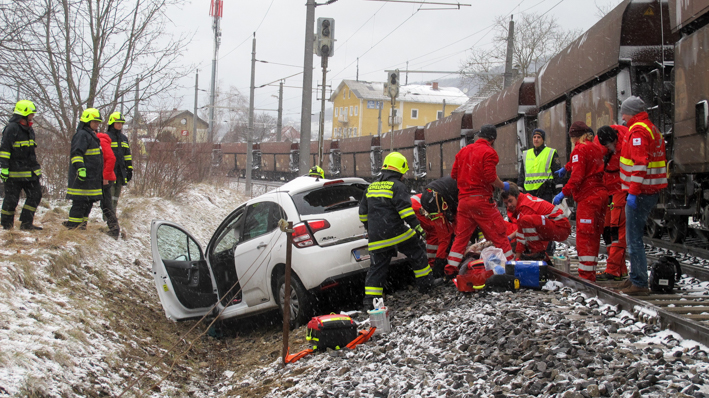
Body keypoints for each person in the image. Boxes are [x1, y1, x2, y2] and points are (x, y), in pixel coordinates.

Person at [358, 152, 436, 310]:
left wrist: (370, 229)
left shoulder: (371, 187)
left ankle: (370, 303)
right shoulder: (397, 186)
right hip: (396, 232)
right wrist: (419, 229)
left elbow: (362, 213)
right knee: (417, 251)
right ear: (399, 171)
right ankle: (426, 286)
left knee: (377, 268)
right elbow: (406, 213)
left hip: (376, 237)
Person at [447, 124, 514, 278]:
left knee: (461, 238)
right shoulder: (489, 152)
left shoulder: (463, 151)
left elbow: (453, 174)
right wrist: (503, 185)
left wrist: (468, 179)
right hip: (482, 202)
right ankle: (511, 265)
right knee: (499, 234)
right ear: (492, 139)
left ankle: (450, 271)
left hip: (464, 202)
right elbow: (490, 177)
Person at [617, 96, 668, 295]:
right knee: (634, 237)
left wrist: (633, 192)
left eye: (624, 112)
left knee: (634, 238)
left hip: (641, 192)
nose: (622, 116)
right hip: (649, 190)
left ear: (631, 112)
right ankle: (635, 277)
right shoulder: (651, 128)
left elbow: (640, 164)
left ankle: (639, 282)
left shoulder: (638, 130)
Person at [553, 121, 608, 282]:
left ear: (573, 136)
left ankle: (586, 277)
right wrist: (567, 167)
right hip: (600, 195)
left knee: (584, 237)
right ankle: (590, 271)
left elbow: (577, 177)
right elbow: (586, 161)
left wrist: (563, 193)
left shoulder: (579, 149)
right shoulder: (595, 147)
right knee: (595, 235)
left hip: (588, 198)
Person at [0, 100, 43, 230]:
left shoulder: (29, 130)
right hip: (14, 172)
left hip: (29, 172)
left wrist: (36, 169)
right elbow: (5, 150)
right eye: (31, 114)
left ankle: (26, 223)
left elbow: (30, 152)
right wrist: (4, 168)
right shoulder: (11, 128)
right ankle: (6, 226)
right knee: (11, 200)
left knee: (36, 194)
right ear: (23, 114)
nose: (33, 116)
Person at [594, 125, 630, 281]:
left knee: (616, 230)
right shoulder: (598, 145)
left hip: (622, 189)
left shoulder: (627, 141)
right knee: (608, 230)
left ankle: (614, 269)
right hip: (608, 189)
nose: (611, 147)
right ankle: (619, 269)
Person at [502, 182, 570, 260]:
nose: (509, 205)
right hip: (556, 224)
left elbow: (522, 233)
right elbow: (522, 231)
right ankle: (540, 254)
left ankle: (537, 253)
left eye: (510, 201)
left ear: (516, 196)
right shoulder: (523, 201)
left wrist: (517, 256)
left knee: (526, 224)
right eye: (506, 203)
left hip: (560, 227)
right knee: (526, 229)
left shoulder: (525, 207)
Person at [64, 108, 104, 230]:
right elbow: (77, 154)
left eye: (98, 122)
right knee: (80, 202)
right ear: (87, 121)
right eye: (94, 121)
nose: (97, 124)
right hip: (83, 177)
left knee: (88, 202)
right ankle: (73, 226)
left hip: (91, 177)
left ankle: (82, 226)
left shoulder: (91, 135)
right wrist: (81, 169)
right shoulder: (82, 135)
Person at [419, 176, 458, 275]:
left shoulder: (453, 183)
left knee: (444, 234)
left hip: (429, 198)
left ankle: (437, 266)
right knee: (445, 237)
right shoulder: (463, 188)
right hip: (435, 199)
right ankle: (439, 268)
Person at [517, 128, 564, 202]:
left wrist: (559, 191)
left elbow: (557, 172)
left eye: (539, 137)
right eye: (534, 137)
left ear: (543, 139)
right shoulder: (526, 154)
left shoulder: (551, 153)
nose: (536, 139)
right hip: (530, 192)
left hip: (545, 191)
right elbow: (522, 173)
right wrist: (519, 189)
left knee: (544, 213)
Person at [105, 112, 132, 213]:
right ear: (112, 123)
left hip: (120, 173)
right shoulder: (106, 137)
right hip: (109, 173)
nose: (120, 125)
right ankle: (107, 218)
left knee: (115, 198)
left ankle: (113, 216)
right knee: (109, 197)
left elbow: (127, 155)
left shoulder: (124, 138)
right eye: (117, 123)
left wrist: (129, 169)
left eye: (121, 123)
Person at [97, 130, 120, 238]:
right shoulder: (100, 140)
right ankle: (114, 228)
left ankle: (114, 229)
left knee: (106, 204)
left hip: (105, 178)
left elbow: (111, 158)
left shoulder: (101, 141)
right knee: (105, 204)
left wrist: (105, 176)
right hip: (104, 177)